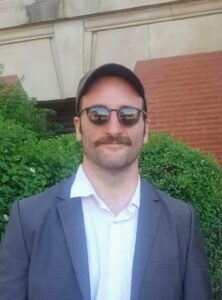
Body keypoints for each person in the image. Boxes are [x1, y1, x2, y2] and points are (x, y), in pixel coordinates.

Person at [0, 63, 212, 300]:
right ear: (79, 127)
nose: (113, 128)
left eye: (128, 115)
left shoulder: (181, 221)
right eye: (97, 114)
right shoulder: (28, 219)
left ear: (145, 130)